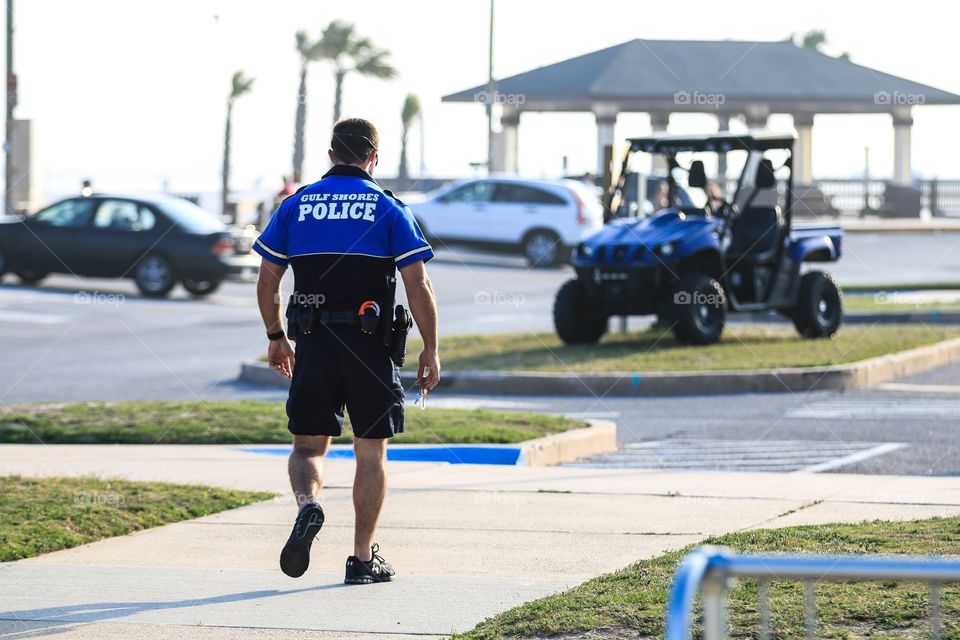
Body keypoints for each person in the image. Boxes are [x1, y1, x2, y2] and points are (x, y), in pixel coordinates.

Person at [254, 117, 440, 585]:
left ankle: (308, 505)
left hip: (313, 344)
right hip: (370, 348)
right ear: (373, 157)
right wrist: (431, 349)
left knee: (308, 445)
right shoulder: (389, 208)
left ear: (331, 154)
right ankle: (361, 560)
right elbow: (418, 284)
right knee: (370, 452)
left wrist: (277, 337)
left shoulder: (296, 206)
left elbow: (268, 280)